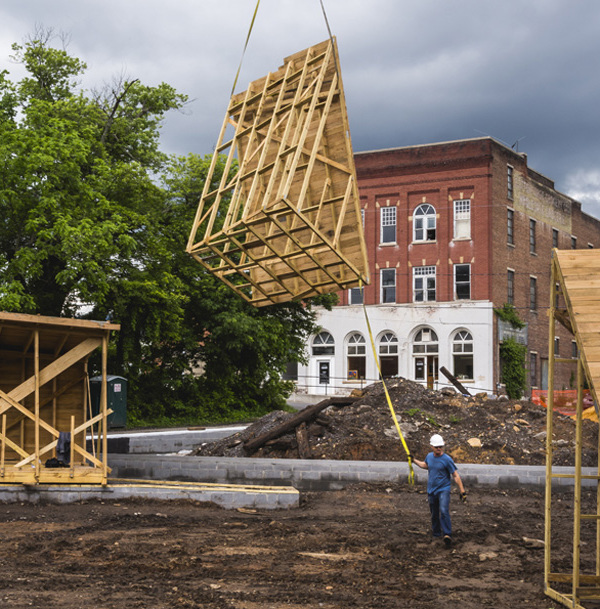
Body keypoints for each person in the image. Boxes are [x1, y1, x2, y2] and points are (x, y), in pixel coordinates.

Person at [412, 434, 467, 547]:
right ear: (432, 446)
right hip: (431, 490)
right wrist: (413, 460)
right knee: (434, 513)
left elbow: (455, 475)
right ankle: (436, 534)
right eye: (436, 447)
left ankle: (447, 534)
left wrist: (462, 490)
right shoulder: (429, 456)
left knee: (443, 510)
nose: (439, 448)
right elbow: (425, 465)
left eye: (440, 446)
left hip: (443, 489)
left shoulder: (447, 460)